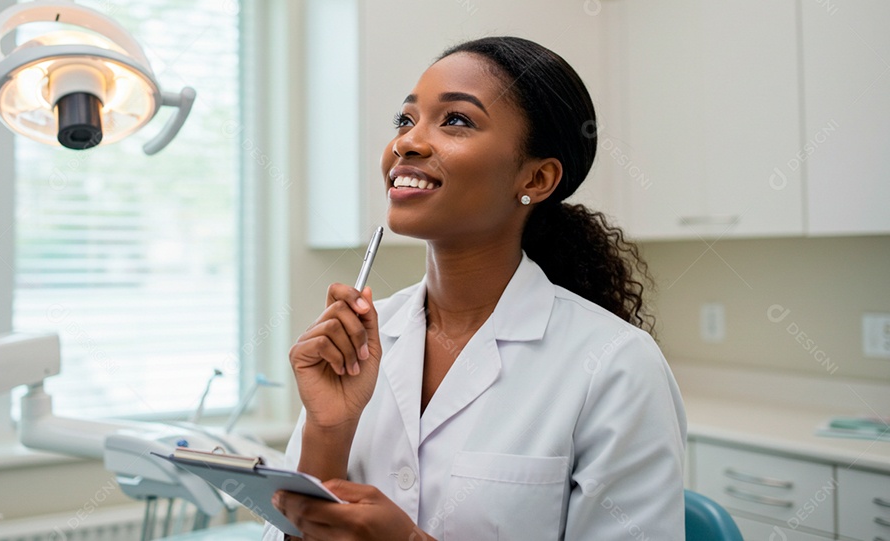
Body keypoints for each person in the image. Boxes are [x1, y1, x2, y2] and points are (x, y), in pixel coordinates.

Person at [263, 37, 687, 540]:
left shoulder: (617, 365)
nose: (407, 143)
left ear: (537, 178)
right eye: (404, 120)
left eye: (456, 120)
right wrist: (327, 432)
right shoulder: (356, 344)